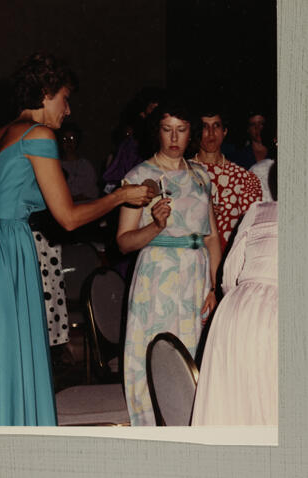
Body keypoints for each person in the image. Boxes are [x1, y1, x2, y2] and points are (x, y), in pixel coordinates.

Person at [0, 52, 154, 426]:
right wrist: (121, 197)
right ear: (45, 93)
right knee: (9, 351)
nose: (68, 108)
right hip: (8, 249)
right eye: (65, 97)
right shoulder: (38, 136)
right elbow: (69, 218)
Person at [116, 100, 221, 425]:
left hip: (196, 278)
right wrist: (155, 226)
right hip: (157, 278)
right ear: (157, 132)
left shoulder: (201, 175)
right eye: (167, 129)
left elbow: (212, 236)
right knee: (155, 354)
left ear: (191, 133)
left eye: (181, 129)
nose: (174, 138)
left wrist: (214, 285)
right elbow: (122, 241)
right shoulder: (140, 177)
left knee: (191, 356)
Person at [192, 161, 278, 425]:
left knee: (232, 410)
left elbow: (229, 276)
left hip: (237, 312)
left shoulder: (259, 210)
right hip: (273, 316)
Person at [191, 111, 262, 251]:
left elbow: (252, 231)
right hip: (192, 258)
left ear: (225, 131)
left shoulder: (244, 178)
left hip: (228, 261)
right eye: (205, 127)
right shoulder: (182, 174)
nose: (211, 133)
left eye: (216, 126)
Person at [60, 123, 99, 202]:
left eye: (71, 138)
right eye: (65, 139)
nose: (68, 142)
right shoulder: (56, 166)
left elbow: (92, 192)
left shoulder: (85, 166)